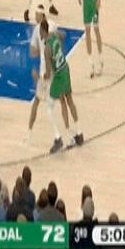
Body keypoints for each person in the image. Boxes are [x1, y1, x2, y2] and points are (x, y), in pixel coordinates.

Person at [41, 19, 84, 153]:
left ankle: (67, 137)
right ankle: (79, 132)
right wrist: (61, 46)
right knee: (70, 100)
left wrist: (42, 77)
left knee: (60, 104)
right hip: (65, 68)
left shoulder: (47, 49)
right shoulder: (55, 35)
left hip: (59, 75)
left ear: (42, 31)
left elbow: (48, 73)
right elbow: (64, 35)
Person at [25, 5, 62, 145]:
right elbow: (61, 38)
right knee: (47, 102)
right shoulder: (52, 25)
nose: (35, 17)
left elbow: (32, 53)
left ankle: (58, 136)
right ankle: (29, 134)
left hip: (47, 72)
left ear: (42, 16)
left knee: (47, 107)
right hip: (53, 69)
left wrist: (38, 76)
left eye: (36, 15)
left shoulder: (38, 30)